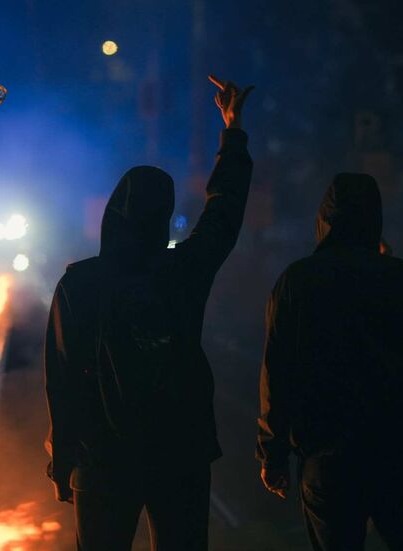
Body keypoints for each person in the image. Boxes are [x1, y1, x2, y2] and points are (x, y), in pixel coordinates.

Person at [44, 75, 254, 551]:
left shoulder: (79, 283)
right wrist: (233, 133)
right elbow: (224, 212)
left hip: (102, 459)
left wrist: (63, 460)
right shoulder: (185, 271)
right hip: (179, 454)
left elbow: (62, 378)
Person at [257, 173, 403, 551]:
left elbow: (276, 373)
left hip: (326, 455)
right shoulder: (402, 277)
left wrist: (273, 453)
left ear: (324, 221)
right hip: (396, 451)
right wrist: (390, 269)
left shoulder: (296, 281)